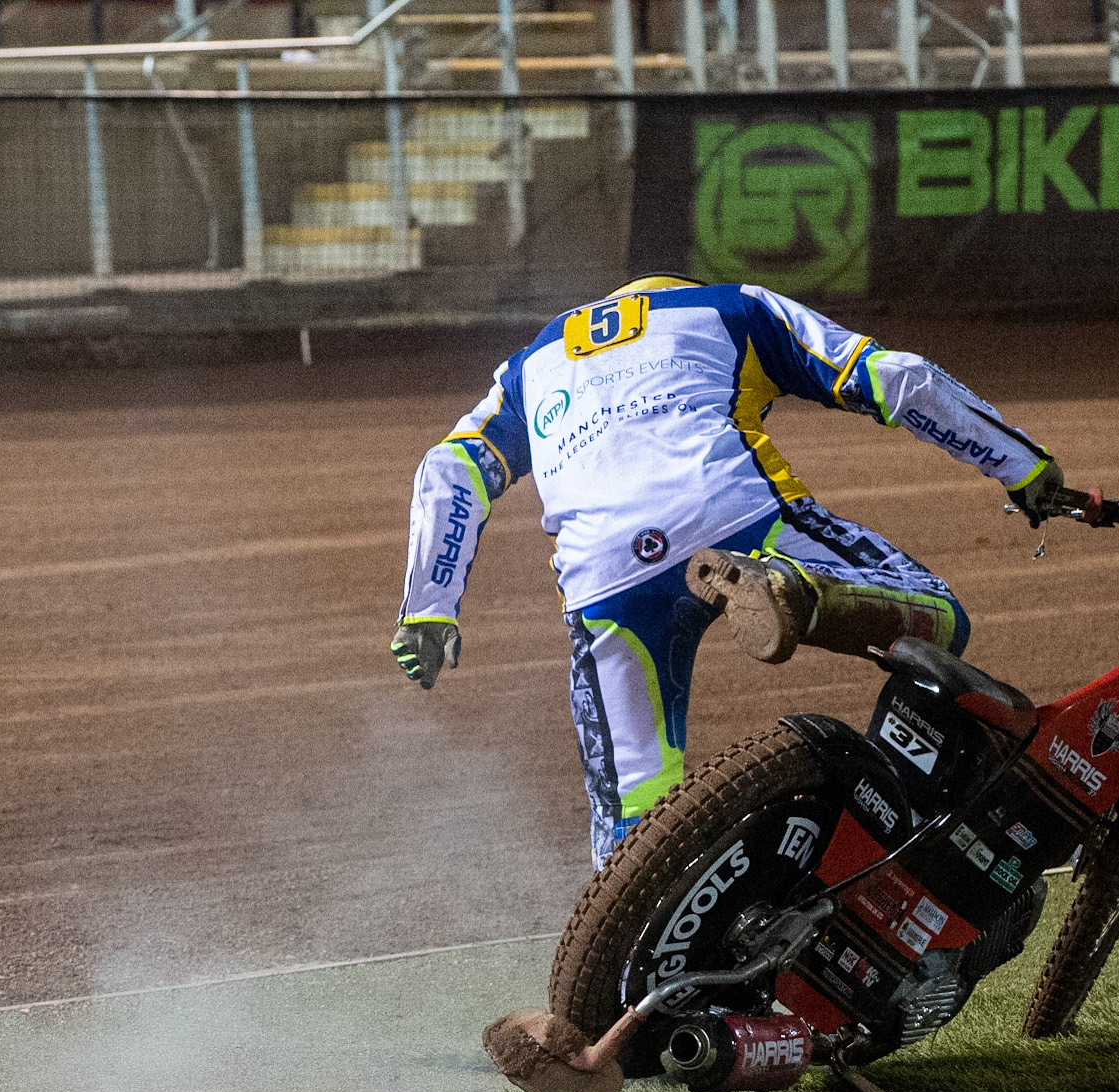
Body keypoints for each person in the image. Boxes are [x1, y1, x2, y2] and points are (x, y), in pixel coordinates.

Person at [392, 275, 1076, 868]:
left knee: (632, 813)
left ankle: (618, 991)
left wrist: (429, 604)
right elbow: (897, 379)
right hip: (735, 517)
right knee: (938, 612)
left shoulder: (528, 365)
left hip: (602, 577)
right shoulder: (730, 307)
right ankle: (798, 592)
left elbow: (450, 470)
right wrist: (1023, 465)